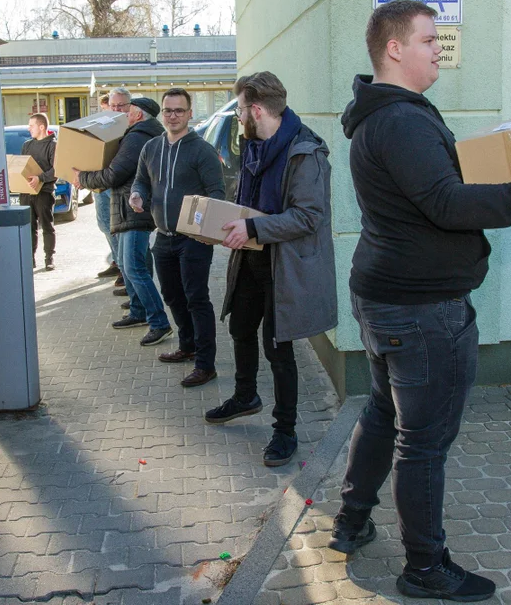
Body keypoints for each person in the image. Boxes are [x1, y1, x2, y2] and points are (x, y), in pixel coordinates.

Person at [330, 0, 511, 602]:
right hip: (421, 308)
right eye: (429, 39)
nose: (440, 49)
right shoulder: (400, 120)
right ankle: (425, 568)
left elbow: (437, 188)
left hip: (387, 296)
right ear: (394, 48)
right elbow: (448, 204)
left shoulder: (386, 115)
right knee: (422, 440)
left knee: (384, 412)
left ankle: (351, 520)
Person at [204, 71, 336, 468]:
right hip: (251, 258)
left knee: (277, 349)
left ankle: (285, 430)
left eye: (241, 109)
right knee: (240, 328)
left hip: (285, 267)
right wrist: (220, 224)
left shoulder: (306, 152)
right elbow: (247, 199)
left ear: (256, 109)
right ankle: (246, 396)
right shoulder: (253, 144)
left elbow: (308, 216)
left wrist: (253, 228)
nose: (239, 115)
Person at [130, 88, 225, 387]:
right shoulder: (152, 148)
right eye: (168, 110)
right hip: (164, 236)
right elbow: (141, 180)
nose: (173, 116)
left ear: (189, 113)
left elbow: (217, 195)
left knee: (196, 298)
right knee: (172, 295)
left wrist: (208, 231)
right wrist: (137, 194)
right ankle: (187, 345)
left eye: (179, 111)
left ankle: (205, 364)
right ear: (163, 113)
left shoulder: (202, 150)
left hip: (193, 239)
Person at [74, 98, 172, 343]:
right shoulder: (143, 135)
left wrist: (82, 178)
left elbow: (114, 173)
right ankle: (139, 312)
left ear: (138, 115)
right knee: (135, 266)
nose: (124, 115)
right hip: (132, 208)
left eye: (127, 111)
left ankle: (159, 322)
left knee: (134, 268)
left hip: (134, 210)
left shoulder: (137, 137)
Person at [21, 112, 57, 271]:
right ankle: (30, 259)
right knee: (29, 227)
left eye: (32, 125)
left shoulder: (53, 145)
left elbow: (57, 170)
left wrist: (40, 178)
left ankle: (49, 258)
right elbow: (22, 166)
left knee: (47, 226)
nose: (29, 128)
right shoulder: (27, 145)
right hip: (26, 192)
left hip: (44, 192)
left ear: (41, 127)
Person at [94, 90, 123, 286]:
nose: (110, 112)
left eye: (114, 107)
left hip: (114, 184)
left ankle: (123, 268)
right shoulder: (99, 127)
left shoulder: (125, 129)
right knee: (104, 225)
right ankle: (116, 261)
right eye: (107, 108)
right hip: (99, 183)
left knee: (117, 228)